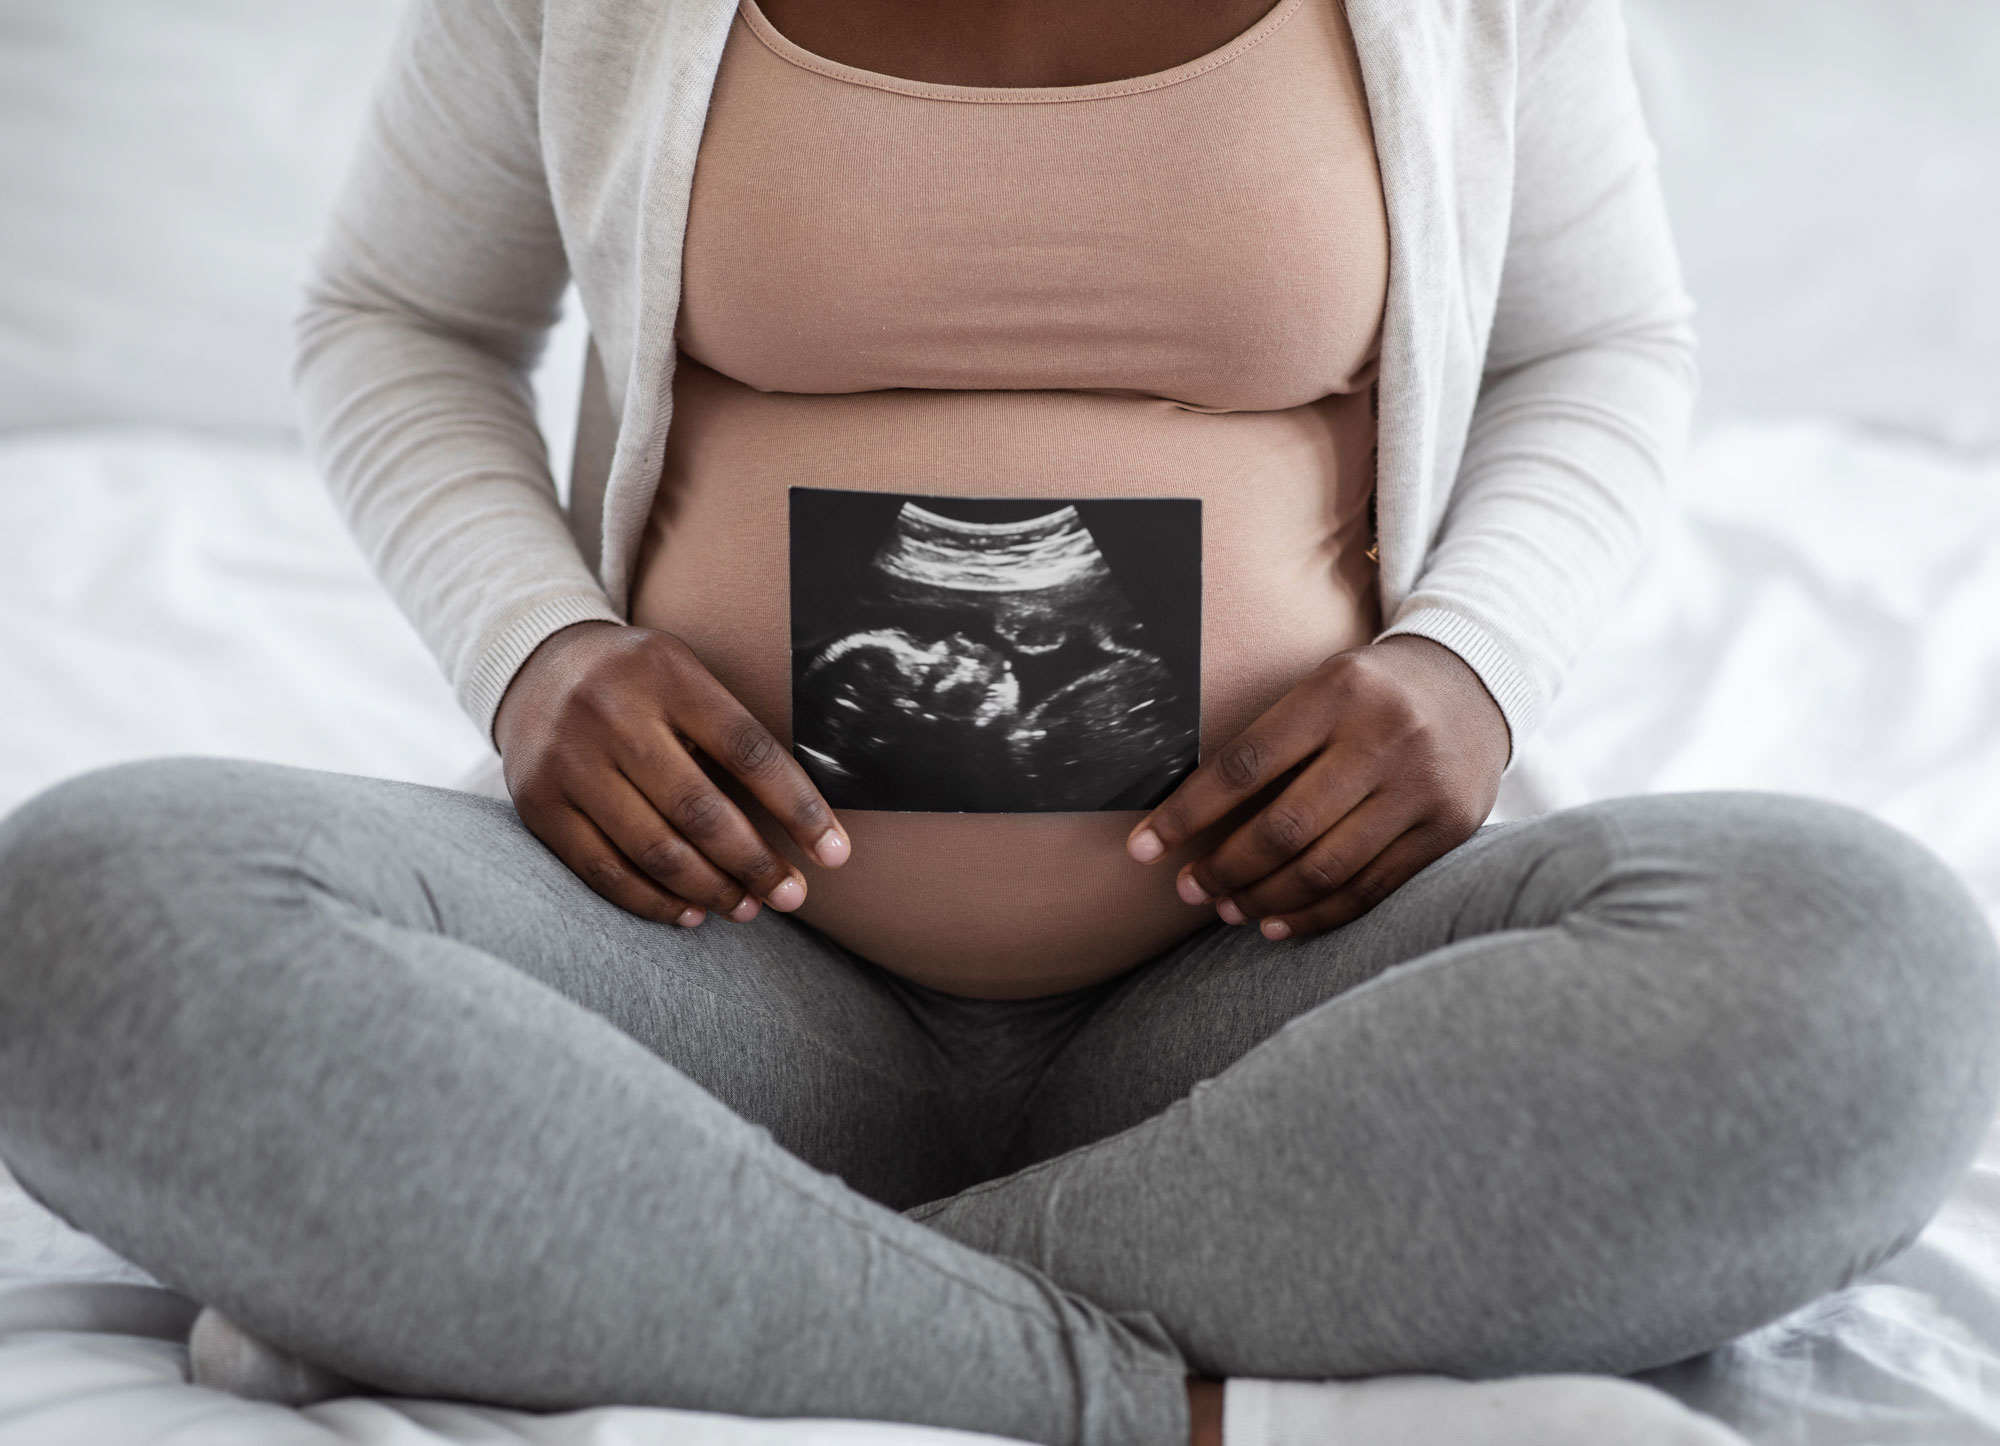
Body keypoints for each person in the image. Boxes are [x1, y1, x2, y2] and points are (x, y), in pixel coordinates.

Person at [1, 0, 1996, 1443]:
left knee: (1866, 966)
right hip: (698, 974)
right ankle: (1159, 1400)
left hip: (1281, 1003)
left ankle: (616, 1279)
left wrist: (1470, 663)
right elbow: (397, 320)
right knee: (95, 910)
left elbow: (1602, 345)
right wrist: (535, 656)